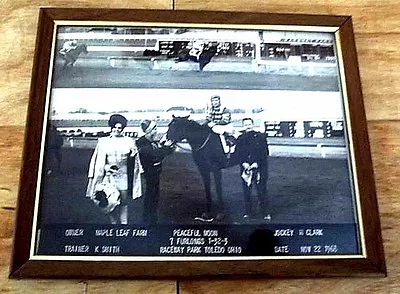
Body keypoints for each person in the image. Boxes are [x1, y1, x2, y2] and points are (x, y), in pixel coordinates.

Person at [86, 114, 142, 225]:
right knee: (109, 200)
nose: (117, 130)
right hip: (108, 176)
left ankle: (124, 223)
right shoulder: (103, 141)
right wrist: (107, 168)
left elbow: (134, 163)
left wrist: (133, 156)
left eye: (119, 128)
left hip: (123, 174)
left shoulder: (129, 141)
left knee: (123, 200)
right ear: (111, 127)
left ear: (122, 129)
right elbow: (99, 160)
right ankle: (113, 222)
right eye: (115, 127)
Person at [136, 120, 175, 225]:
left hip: (155, 173)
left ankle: (151, 219)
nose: (156, 131)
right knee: (151, 196)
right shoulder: (142, 143)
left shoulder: (149, 142)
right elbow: (155, 155)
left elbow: (158, 152)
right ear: (148, 131)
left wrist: (167, 148)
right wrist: (166, 148)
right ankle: (147, 221)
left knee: (154, 196)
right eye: (154, 129)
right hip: (149, 174)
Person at [233, 117, 270, 221]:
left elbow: (265, 152)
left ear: (253, 125)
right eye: (246, 124)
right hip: (246, 169)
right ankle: (248, 212)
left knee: (261, 190)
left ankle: (265, 213)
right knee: (246, 191)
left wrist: (256, 163)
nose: (248, 126)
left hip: (260, 168)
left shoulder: (260, 137)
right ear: (243, 126)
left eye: (249, 124)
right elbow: (237, 154)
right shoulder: (240, 138)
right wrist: (244, 163)